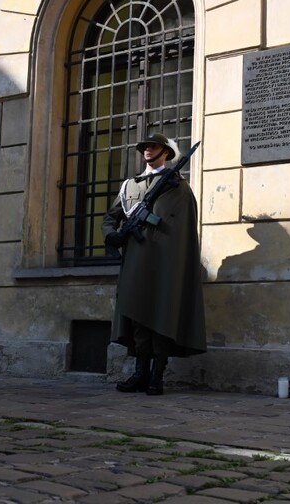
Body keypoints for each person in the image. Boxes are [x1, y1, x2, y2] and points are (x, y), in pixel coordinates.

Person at [102, 133, 206, 396]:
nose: (148, 150)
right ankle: (140, 372)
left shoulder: (177, 186)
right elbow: (110, 218)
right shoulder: (130, 186)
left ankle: (156, 375)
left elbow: (183, 229)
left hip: (164, 263)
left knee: (161, 315)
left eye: (154, 146)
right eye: (145, 146)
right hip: (136, 259)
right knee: (137, 316)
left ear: (165, 153)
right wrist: (111, 235)